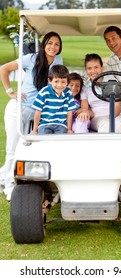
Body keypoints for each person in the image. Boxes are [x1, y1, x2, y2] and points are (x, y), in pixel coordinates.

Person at [0, 31, 63, 201]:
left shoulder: (58, 61)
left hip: (38, 113)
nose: (53, 47)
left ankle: (2, 176)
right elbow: (3, 69)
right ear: (44, 44)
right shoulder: (31, 58)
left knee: (27, 148)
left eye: (57, 44)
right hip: (19, 109)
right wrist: (10, 91)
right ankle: (9, 187)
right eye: (50, 43)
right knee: (13, 149)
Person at [80, 53, 121, 133]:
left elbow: (117, 105)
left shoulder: (112, 82)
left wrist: (110, 118)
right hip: (97, 117)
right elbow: (85, 108)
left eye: (96, 67)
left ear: (101, 67)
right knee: (105, 124)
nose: (93, 71)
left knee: (119, 124)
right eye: (89, 68)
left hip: (116, 115)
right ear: (86, 70)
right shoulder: (85, 87)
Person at [32, 65, 76, 134]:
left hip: (61, 124)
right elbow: (38, 112)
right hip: (45, 123)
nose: (59, 85)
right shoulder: (44, 92)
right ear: (50, 80)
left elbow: (69, 112)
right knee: (44, 138)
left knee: (61, 140)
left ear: (67, 82)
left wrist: (69, 129)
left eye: (63, 82)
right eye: (56, 81)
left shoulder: (68, 92)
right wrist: (34, 130)